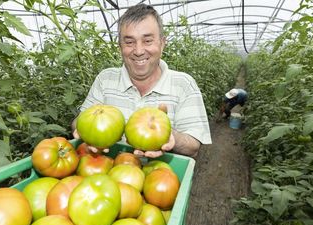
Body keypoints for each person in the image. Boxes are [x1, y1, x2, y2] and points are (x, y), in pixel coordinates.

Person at [72, 3, 211, 158]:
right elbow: (79, 121)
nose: (138, 51)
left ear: (162, 43)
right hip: (110, 172)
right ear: (120, 47)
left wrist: (166, 133)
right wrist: (83, 129)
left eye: (147, 41)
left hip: (161, 176)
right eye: (129, 42)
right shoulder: (105, 80)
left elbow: (193, 146)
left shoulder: (183, 84)